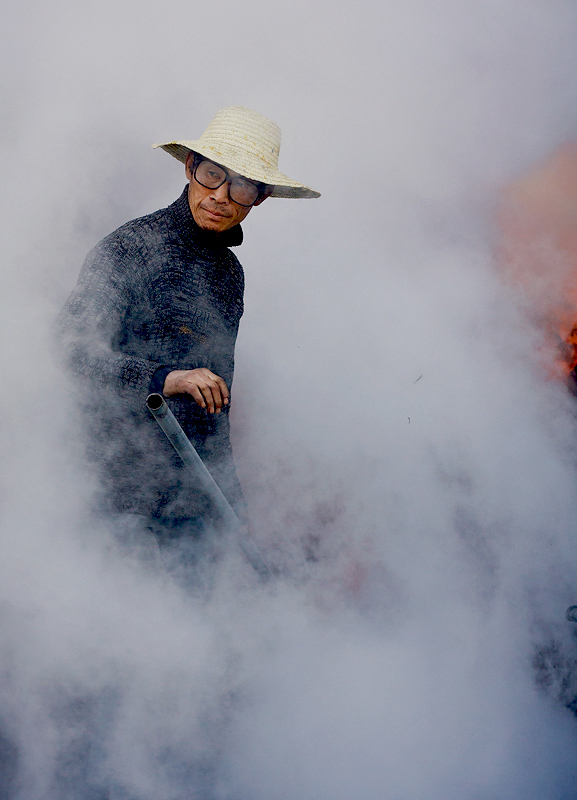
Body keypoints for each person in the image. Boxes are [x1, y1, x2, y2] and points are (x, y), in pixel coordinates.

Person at [58, 105, 320, 567]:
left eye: (240, 185)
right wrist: (167, 378)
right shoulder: (130, 246)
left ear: (258, 198)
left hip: (194, 505)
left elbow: (215, 403)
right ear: (190, 168)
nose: (221, 195)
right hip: (117, 501)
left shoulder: (229, 274)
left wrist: (230, 503)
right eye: (213, 175)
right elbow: (70, 351)